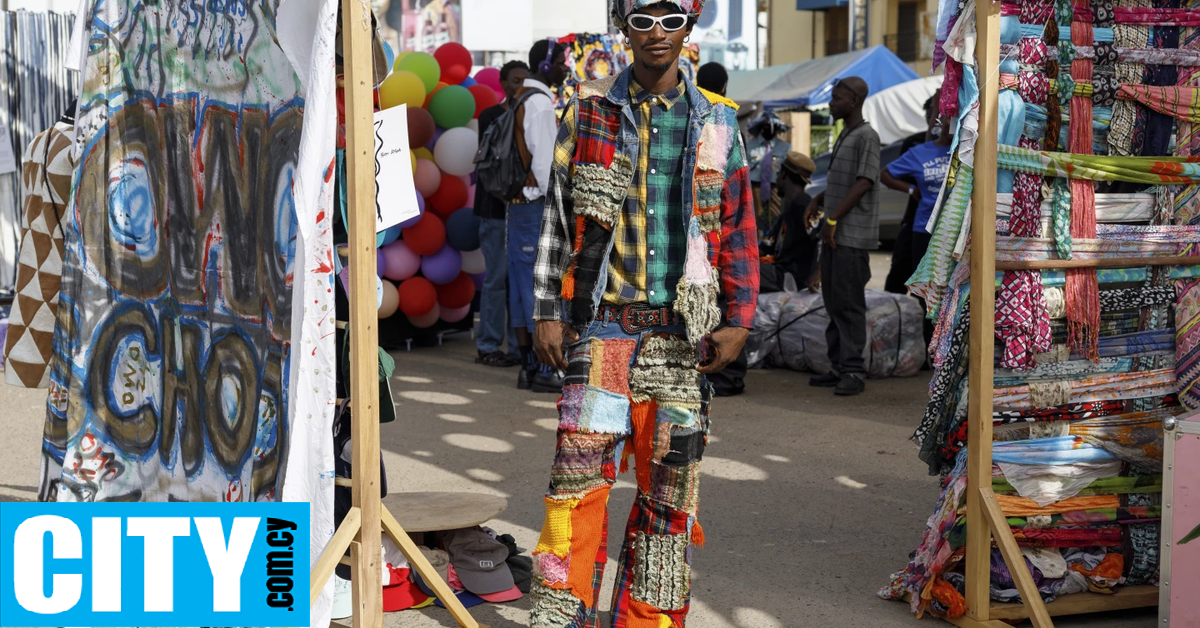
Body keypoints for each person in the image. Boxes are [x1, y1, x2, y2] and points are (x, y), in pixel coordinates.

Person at [528, 0, 758, 624]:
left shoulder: (717, 122)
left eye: (671, 20)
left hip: (681, 343)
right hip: (602, 330)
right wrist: (549, 307)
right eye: (643, 20)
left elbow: (736, 223)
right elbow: (557, 212)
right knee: (576, 494)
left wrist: (738, 316)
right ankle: (561, 618)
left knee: (668, 503)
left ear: (689, 28)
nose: (657, 35)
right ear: (624, 29)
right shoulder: (590, 110)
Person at [803, 76, 880, 397]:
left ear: (854, 100)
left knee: (849, 304)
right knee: (834, 301)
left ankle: (853, 371)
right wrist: (820, 198)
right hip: (836, 236)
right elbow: (845, 181)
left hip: (851, 236)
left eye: (836, 98)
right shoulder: (846, 134)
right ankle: (838, 366)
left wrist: (833, 218)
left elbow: (864, 183)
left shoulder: (867, 136)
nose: (831, 103)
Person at [510, 39, 570, 392]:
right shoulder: (541, 104)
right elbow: (547, 164)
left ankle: (528, 368)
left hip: (517, 208)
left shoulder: (518, 98)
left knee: (520, 289)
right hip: (536, 206)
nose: (565, 68)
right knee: (541, 286)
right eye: (561, 61)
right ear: (545, 66)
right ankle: (547, 371)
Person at [473, 60, 530, 368]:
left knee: (517, 281)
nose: (520, 84)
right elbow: (496, 158)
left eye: (525, 80)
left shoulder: (532, 115)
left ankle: (515, 345)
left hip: (521, 210)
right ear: (503, 83)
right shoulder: (492, 116)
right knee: (495, 279)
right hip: (494, 210)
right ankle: (488, 345)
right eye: (515, 80)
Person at [881, 102, 952, 347]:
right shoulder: (919, 150)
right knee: (923, 290)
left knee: (948, 291)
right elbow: (885, 174)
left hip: (953, 233)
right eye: (943, 119)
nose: (948, 125)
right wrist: (911, 189)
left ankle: (942, 345)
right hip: (923, 230)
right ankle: (923, 347)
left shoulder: (962, 151)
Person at [883, 91, 940, 294]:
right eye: (930, 114)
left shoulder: (954, 145)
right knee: (901, 270)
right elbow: (891, 175)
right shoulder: (915, 144)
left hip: (942, 224)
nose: (932, 119)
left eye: (936, 113)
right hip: (915, 217)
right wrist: (911, 189)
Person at [765, 151, 818, 284]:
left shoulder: (803, 205)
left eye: (778, 174)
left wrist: (818, 274)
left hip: (790, 277)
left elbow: (823, 239)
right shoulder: (788, 210)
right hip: (779, 272)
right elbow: (767, 244)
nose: (776, 180)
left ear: (783, 175)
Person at [745, 110, 790, 227]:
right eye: (765, 126)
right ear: (760, 127)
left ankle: (773, 242)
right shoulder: (750, 145)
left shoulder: (785, 147)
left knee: (775, 219)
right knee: (755, 220)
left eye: (772, 127)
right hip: (755, 188)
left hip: (775, 189)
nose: (769, 129)